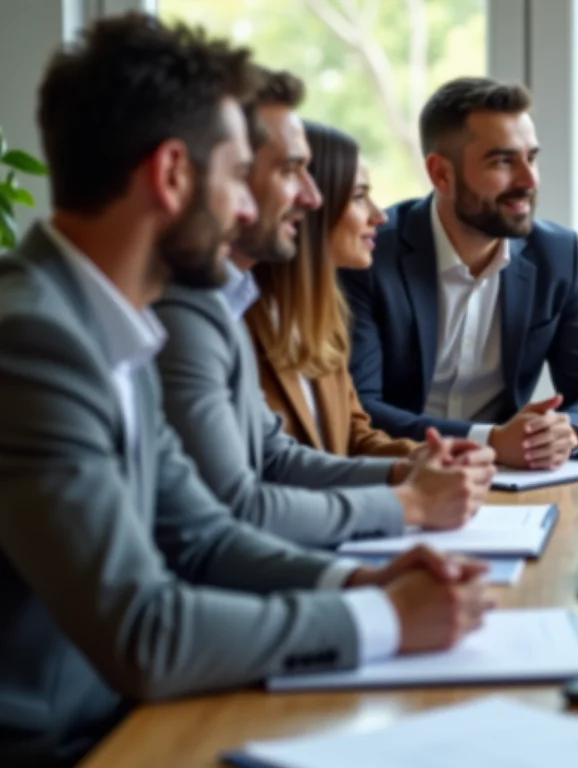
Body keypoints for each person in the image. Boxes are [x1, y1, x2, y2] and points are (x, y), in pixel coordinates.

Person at [0, 15, 490, 767]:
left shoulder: (111, 324)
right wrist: (383, 618)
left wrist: (366, 576)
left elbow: (203, 536)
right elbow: (144, 631)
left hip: (132, 714)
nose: (245, 211)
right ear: (171, 176)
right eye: (237, 176)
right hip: (66, 743)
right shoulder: (35, 343)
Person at [153, 69, 495, 550]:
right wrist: (411, 499)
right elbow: (246, 502)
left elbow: (318, 444)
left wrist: (415, 466)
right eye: (357, 197)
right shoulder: (214, 316)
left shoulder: (308, 313)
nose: (380, 215)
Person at [341, 77, 578, 469]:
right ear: (441, 174)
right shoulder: (370, 254)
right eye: (503, 161)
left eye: (532, 158)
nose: (529, 180)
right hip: (404, 473)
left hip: (512, 482)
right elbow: (359, 409)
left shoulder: (557, 255)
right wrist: (488, 440)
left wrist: (565, 434)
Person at [245, 120, 417, 457]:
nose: (380, 216)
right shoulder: (241, 325)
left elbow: (354, 437)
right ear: (310, 208)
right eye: (358, 197)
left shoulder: (320, 315)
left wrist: (432, 456)